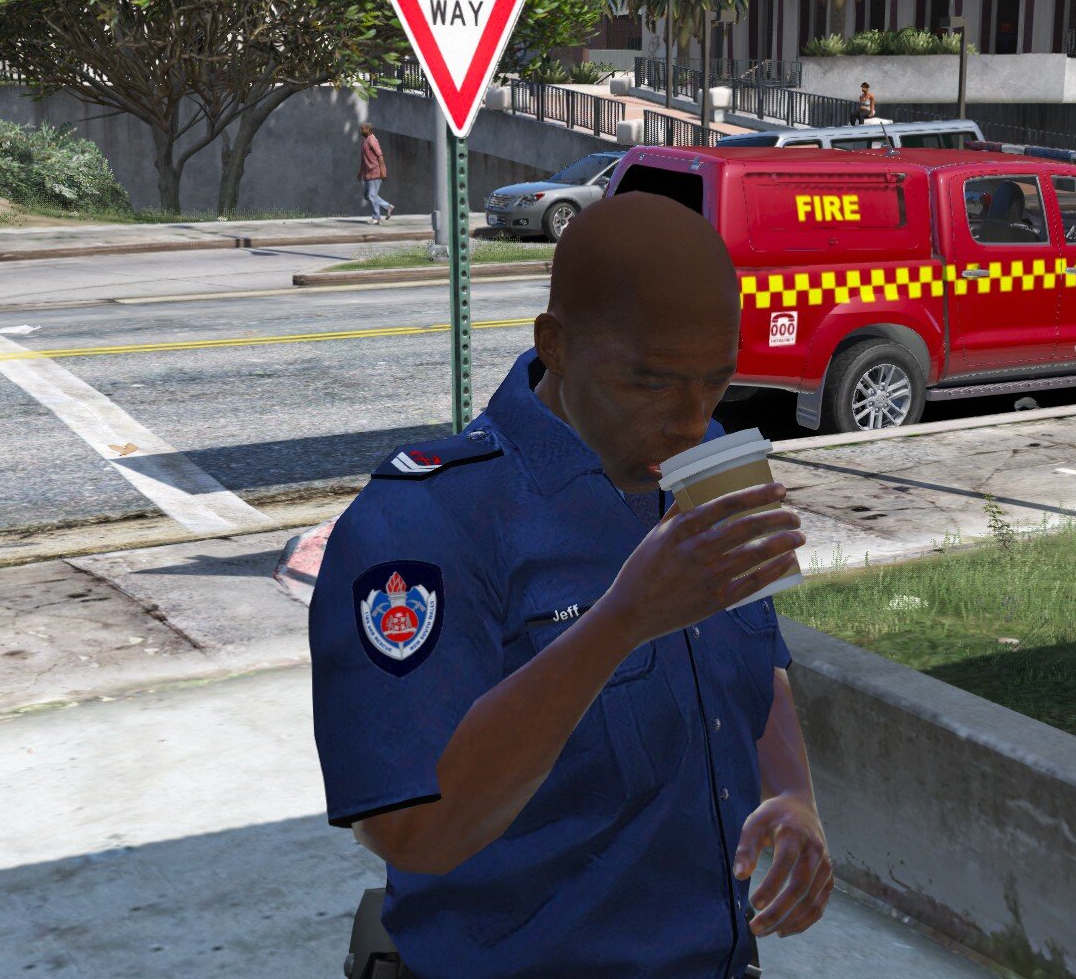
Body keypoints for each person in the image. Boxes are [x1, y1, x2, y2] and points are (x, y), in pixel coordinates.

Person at [312, 191, 832, 978]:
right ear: (554, 345)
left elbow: (754, 647)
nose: (691, 420)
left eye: (715, 382)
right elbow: (411, 832)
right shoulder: (424, 523)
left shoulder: (705, 464)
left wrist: (791, 793)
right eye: (651, 383)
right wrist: (621, 622)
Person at [358, 123, 394, 224]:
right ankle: (388, 206)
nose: (361, 131)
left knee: (372, 195)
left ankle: (376, 217)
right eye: (360, 129)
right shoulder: (364, 141)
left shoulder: (372, 140)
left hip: (375, 172)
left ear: (368, 129)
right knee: (367, 196)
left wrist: (382, 171)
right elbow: (363, 159)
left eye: (362, 129)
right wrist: (361, 171)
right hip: (367, 174)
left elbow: (380, 156)